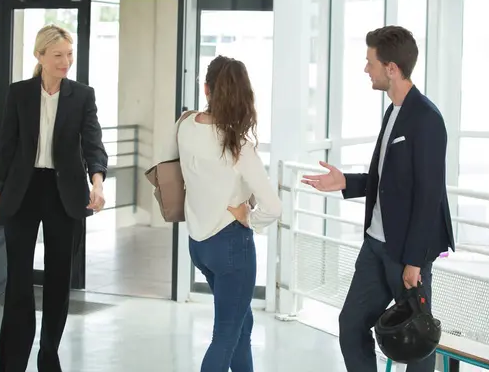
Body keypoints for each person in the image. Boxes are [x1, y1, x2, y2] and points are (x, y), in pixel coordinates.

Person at [301, 26, 455, 372]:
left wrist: (414, 262)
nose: (365, 69)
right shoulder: (393, 111)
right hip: (375, 246)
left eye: (370, 61)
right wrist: (345, 182)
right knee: (351, 325)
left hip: (406, 254)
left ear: (391, 68)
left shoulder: (427, 119)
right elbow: (387, 182)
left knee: (416, 340)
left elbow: (429, 196)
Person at [0, 24, 108, 372]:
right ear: (40, 56)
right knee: (19, 281)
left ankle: (48, 356)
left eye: (69, 54)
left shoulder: (82, 95)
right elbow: (5, 152)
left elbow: (94, 143)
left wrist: (97, 183)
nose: (66, 61)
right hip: (22, 193)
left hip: (64, 194)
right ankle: (12, 362)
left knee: (58, 280)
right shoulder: (19, 93)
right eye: (58, 55)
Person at [162, 55, 282, 372]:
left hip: (199, 244)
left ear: (207, 89)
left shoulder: (185, 124)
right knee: (225, 337)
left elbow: (171, 167)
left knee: (241, 323)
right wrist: (249, 217)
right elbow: (274, 207)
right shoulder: (238, 144)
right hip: (232, 247)